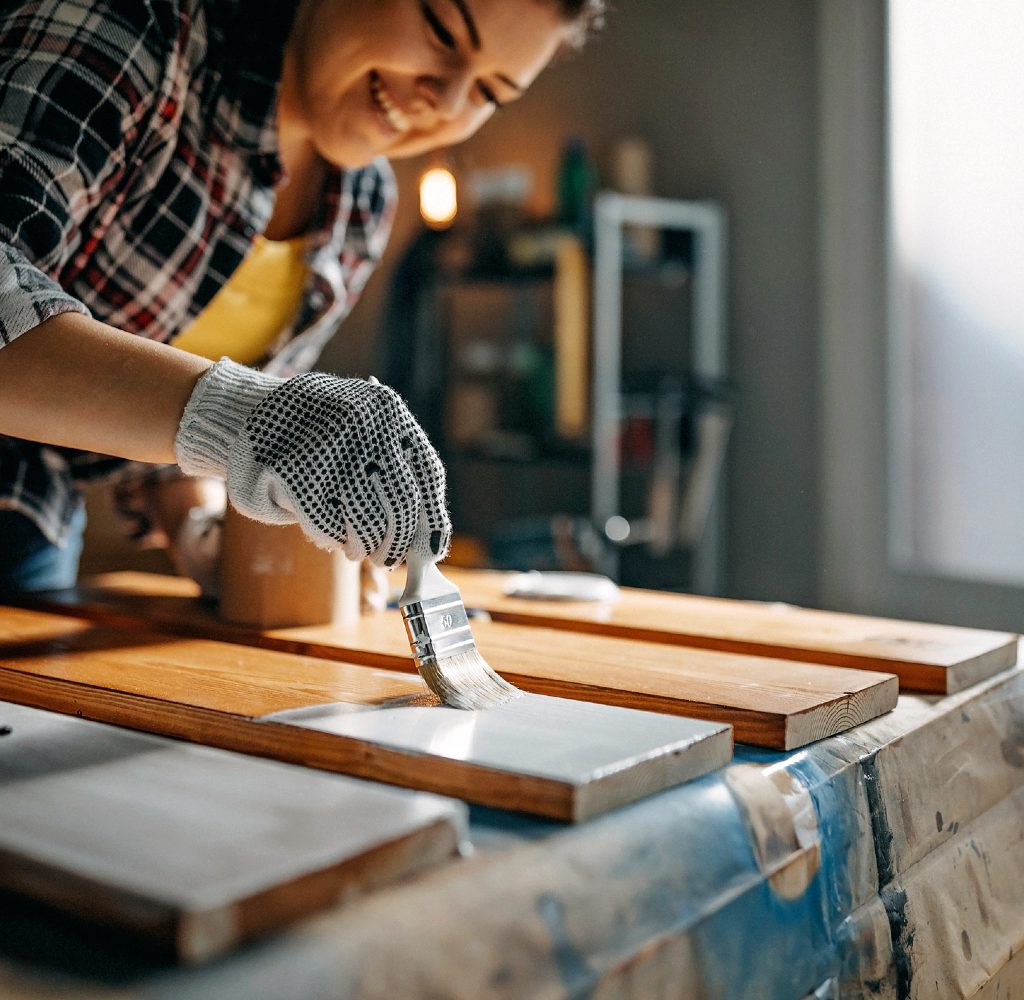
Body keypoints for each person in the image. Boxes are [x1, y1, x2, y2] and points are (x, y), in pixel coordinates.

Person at [0, 0, 604, 593]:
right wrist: (247, 417)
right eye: (444, 31)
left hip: (33, 527)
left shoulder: (361, 209)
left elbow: (162, 433)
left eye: (489, 92)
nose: (445, 102)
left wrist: (201, 532)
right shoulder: (137, 28)